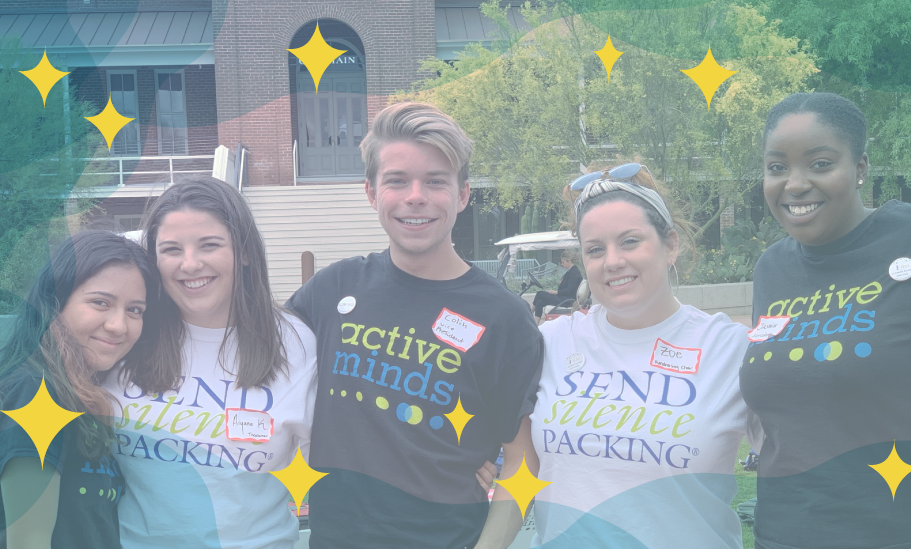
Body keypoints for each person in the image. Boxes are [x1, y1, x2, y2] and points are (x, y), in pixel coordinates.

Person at [739, 92, 911, 549]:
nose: (794, 184)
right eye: (777, 167)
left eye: (820, 163)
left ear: (860, 169)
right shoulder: (772, 269)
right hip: (784, 535)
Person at [283, 102, 543, 549]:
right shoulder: (332, 289)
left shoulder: (503, 317)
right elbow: (251, 357)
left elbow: (522, 460)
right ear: (371, 192)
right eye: (397, 180)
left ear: (462, 195)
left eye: (435, 181)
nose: (415, 196)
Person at [477, 163, 762, 548]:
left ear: (671, 245)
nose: (612, 261)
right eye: (595, 249)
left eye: (630, 241)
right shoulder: (551, 342)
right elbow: (517, 463)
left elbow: (806, 463)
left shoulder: (731, 349)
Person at [99, 177, 318, 549]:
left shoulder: (295, 343)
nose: (190, 264)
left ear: (244, 251)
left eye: (209, 245)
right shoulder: (129, 331)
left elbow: (334, 468)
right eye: (170, 249)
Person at [0, 230, 161, 549]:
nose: (119, 325)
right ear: (55, 302)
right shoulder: (36, 395)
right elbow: (29, 542)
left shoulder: (78, 396)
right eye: (101, 302)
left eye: (135, 310)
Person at [531, 250, 583, 319]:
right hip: (563, 298)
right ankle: (535, 326)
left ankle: (529, 315)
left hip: (567, 300)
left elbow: (569, 290)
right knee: (539, 302)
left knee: (539, 294)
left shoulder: (574, 273)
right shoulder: (569, 272)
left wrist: (554, 292)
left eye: (563, 262)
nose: (562, 264)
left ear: (568, 261)